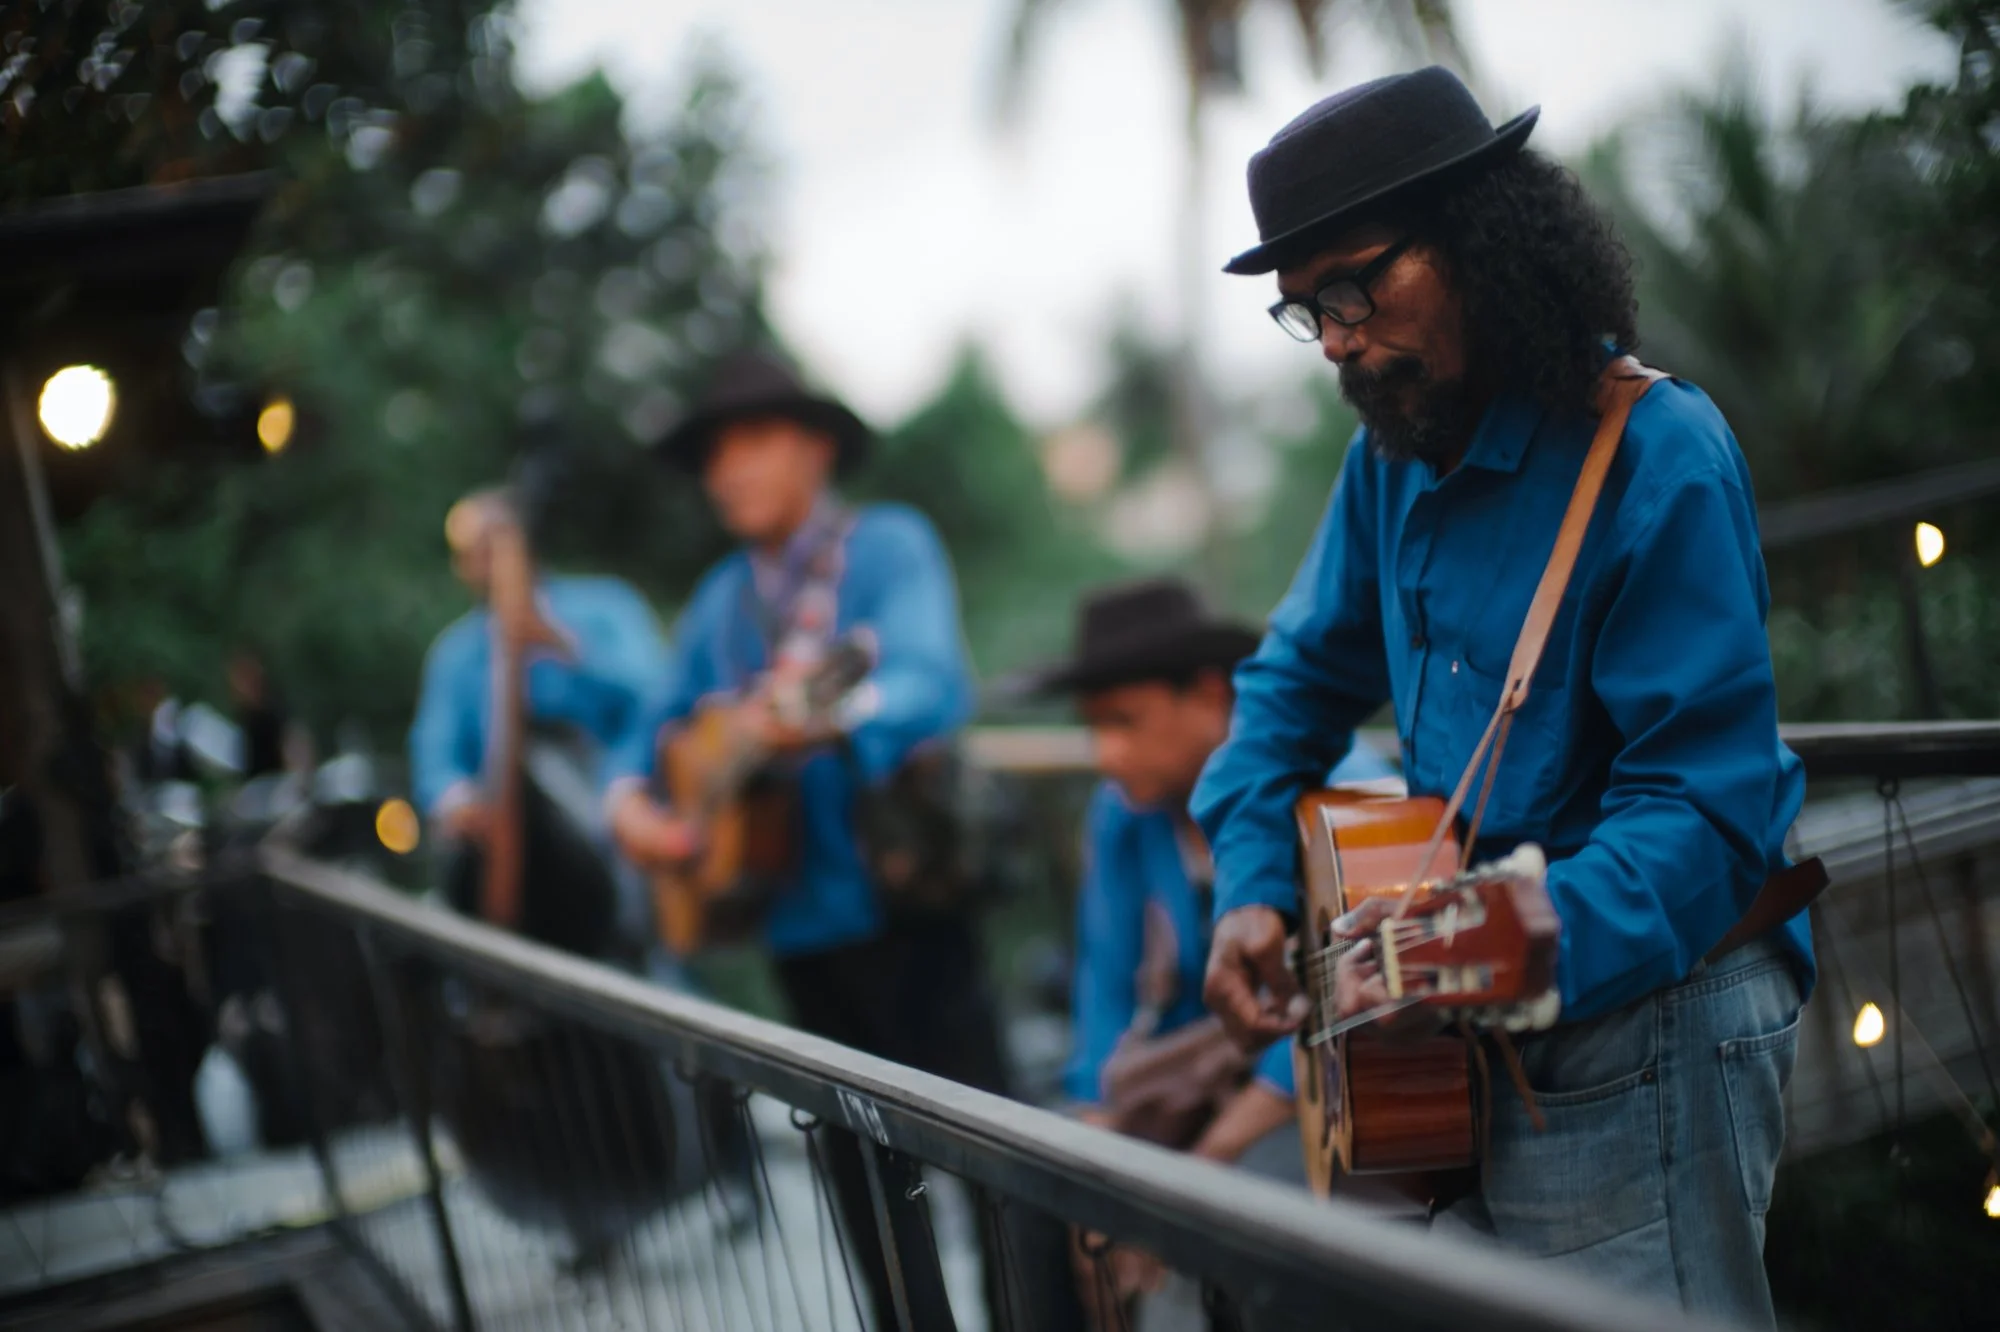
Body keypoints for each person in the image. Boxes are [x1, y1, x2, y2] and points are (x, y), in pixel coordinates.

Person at [1192, 68, 1813, 1327]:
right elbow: (1290, 679)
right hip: (1463, 1023)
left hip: (1654, 1013)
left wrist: (1508, 938)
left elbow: (1702, 813)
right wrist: (1254, 881)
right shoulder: (1390, 458)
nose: (1342, 337)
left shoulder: (1654, 454)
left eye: (1356, 286)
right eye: (1307, 311)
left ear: (1480, 237)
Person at [606, 349, 1028, 1330]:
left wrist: (839, 714)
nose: (726, 471)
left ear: (815, 447)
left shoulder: (883, 547)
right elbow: (645, 732)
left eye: (751, 443)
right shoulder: (719, 601)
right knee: (861, 1185)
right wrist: (629, 804)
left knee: (997, 1165)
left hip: (907, 911)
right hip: (793, 931)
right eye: (715, 452)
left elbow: (927, 678)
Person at [1024, 577, 1395, 1327]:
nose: (1105, 752)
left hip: (1315, 1092)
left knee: (1217, 1233)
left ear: (1209, 693)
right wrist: (1099, 1151)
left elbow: (1338, 1022)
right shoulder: (1123, 814)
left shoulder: (1346, 796)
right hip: (1193, 1081)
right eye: (1093, 726)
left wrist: (1190, 1172)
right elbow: (1106, 977)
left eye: (1124, 721)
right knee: (1041, 1202)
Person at [409, 489, 669, 960]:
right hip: (499, 832)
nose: (484, 562)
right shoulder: (455, 653)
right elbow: (435, 751)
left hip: (603, 805)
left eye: (495, 545)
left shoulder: (605, 607)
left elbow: (657, 696)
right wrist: (456, 799)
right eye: (471, 553)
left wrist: (564, 646)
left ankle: (637, 956)